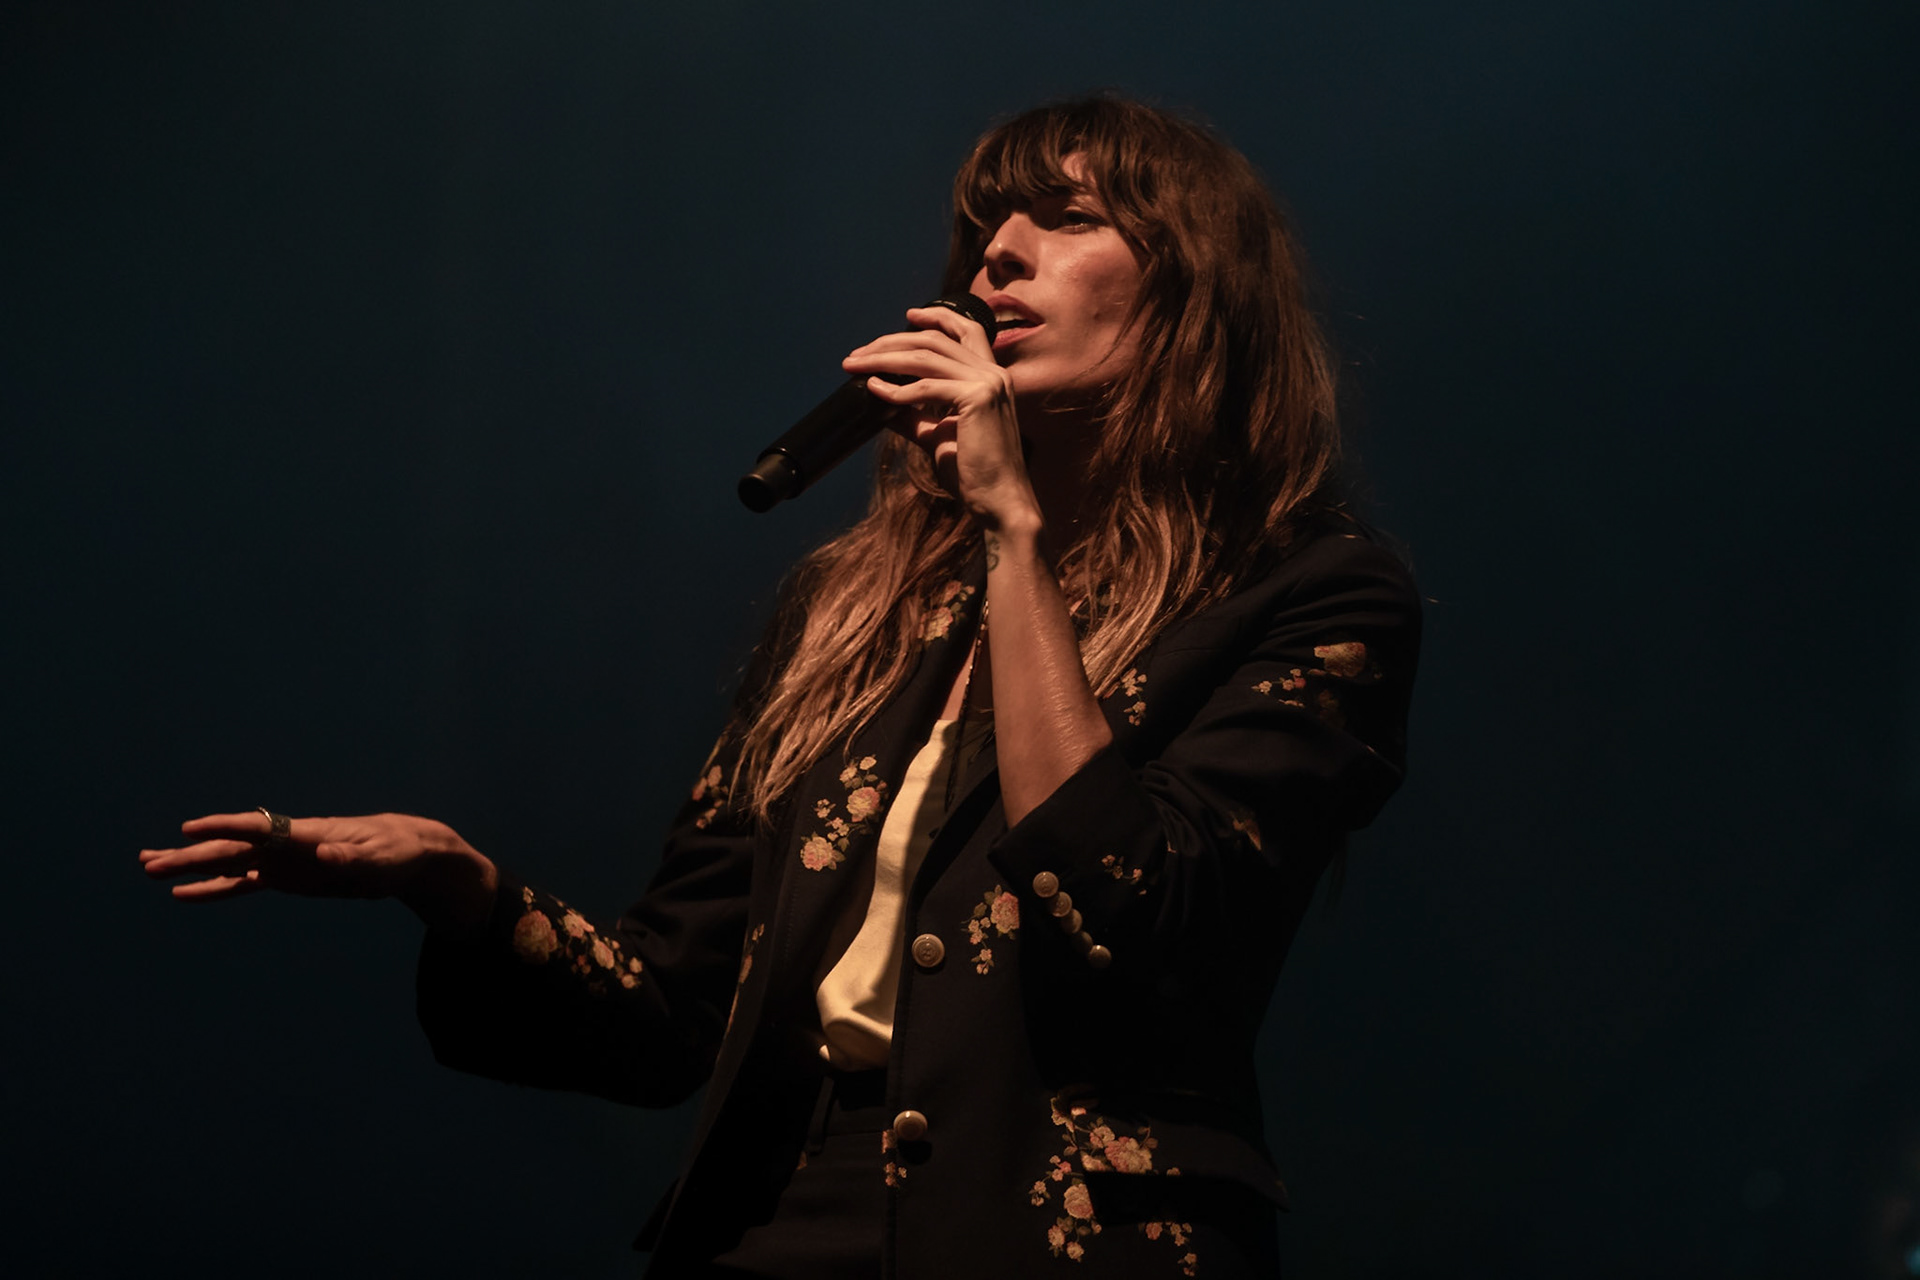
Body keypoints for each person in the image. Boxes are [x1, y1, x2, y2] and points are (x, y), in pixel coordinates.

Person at [140, 96, 1420, 1278]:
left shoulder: (1311, 593)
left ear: (1198, 292)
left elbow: (1131, 907)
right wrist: (462, 888)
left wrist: (1013, 529)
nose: (995, 260)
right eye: (983, 230)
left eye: (1067, 219)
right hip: (778, 1229)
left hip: (1067, 1236)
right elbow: (669, 1017)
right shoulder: (855, 613)